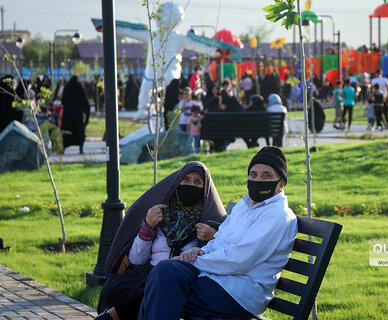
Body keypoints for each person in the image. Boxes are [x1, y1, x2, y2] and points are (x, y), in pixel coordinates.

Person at [138, 146, 298, 320]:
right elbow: (220, 239)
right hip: (217, 278)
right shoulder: (245, 206)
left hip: (240, 294)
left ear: (281, 183)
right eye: (253, 174)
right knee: (164, 270)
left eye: (266, 175)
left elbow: (239, 260)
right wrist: (200, 252)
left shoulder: (276, 215)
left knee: (163, 286)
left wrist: (196, 260)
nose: (258, 180)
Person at [96, 162, 226, 320]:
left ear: (205, 189)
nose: (190, 185)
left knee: (155, 287)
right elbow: (136, 260)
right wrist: (148, 226)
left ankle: (113, 315)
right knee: (116, 289)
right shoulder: (161, 213)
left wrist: (215, 236)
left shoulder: (210, 220)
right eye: (186, 180)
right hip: (147, 271)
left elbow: (222, 252)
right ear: (177, 182)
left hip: (180, 277)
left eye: (197, 182)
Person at [61, 76, 90, 154]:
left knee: (67, 132)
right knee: (79, 132)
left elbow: (63, 100)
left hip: (68, 115)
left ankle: (63, 148)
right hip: (78, 115)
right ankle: (81, 148)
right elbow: (86, 103)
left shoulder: (67, 87)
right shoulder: (80, 88)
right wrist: (86, 117)